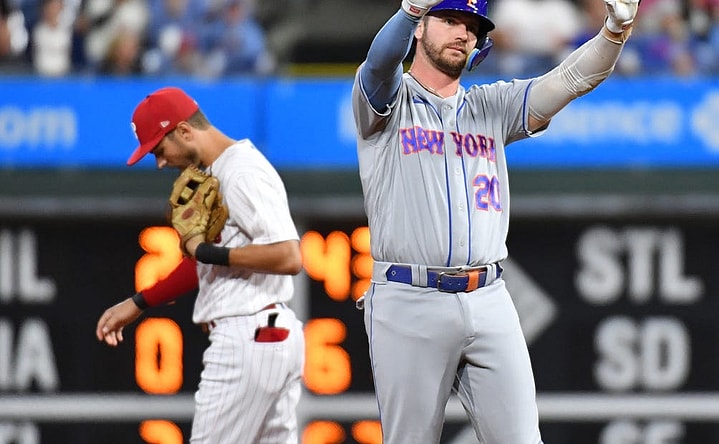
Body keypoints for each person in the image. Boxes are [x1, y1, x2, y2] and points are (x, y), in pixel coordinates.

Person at [351, 0, 639, 442]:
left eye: (470, 25)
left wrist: (614, 33)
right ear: (420, 29)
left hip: (489, 298)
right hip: (409, 298)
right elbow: (379, 63)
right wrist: (408, 12)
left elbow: (572, 80)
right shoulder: (387, 101)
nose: (461, 33)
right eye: (448, 20)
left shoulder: (492, 106)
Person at [95, 86, 305, 444]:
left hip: (247, 333)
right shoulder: (219, 172)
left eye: (160, 150)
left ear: (184, 131)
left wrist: (209, 252)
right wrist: (139, 303)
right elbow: (202, 265)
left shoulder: (241, 172)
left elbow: (288, 256)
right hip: (267, 335)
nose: (160, 162)